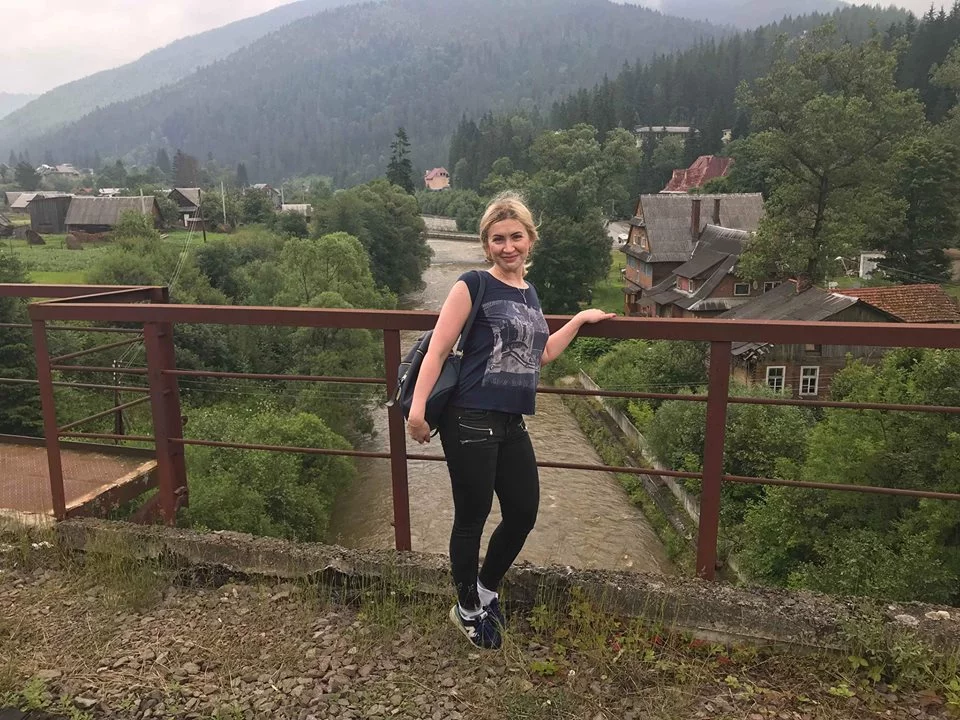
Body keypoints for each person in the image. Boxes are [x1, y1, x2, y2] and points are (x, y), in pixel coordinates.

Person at [406, 191, 615, 650]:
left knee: (523, 511)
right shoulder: (471, 285)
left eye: (515, 237)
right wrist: (417, 411)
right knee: (472, 517)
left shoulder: (528, 292)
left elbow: (541, 354)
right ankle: (466, 610)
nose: (507, 247)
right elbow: (437, 350)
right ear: (486, 244)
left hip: (510, 421)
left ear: (529, 240)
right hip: (469, 418)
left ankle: (485, 590)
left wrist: (579, 319)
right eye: (497, 239)